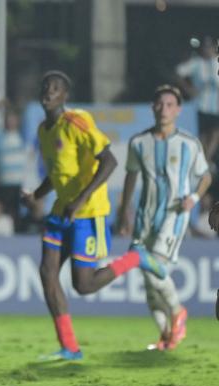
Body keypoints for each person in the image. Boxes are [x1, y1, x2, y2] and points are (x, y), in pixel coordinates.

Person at [22, 71, 166, 361]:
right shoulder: (43, 130)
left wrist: (80, 200)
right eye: (45, 86)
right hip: (62, 211)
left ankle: (135, 258)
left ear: (65, 96)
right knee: (46, 272)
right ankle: (70, 348)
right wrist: (37, 195)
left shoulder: (77, 121)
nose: (48, 92)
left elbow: (110, 161)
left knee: (83, 285)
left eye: (56, 88)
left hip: (88, 213)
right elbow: (56, 173)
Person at [118, 85, 211, 350]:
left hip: (174, 214)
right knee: (148, 281)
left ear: (178, 110)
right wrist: (124, 211)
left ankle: (178, 310)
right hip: (144, 218)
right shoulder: (139, 142)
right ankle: (166, 335)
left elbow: (205, 176)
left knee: (151, 266)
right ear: (152, 107)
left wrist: (193, 197)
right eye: (160, 104)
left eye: (170, 105)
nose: (164, 109)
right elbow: (131, 176)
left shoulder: (189, 144)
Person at [176, 36, 219, 160]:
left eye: (209, 47)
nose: (207, 50)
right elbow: (178, 72)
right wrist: (188, 88)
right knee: (203, 135)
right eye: (205, 47)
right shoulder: (196, 63)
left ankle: (207, 159)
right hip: (201, 105)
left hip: (217, 106)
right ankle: (202, 160)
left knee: (216, 133)